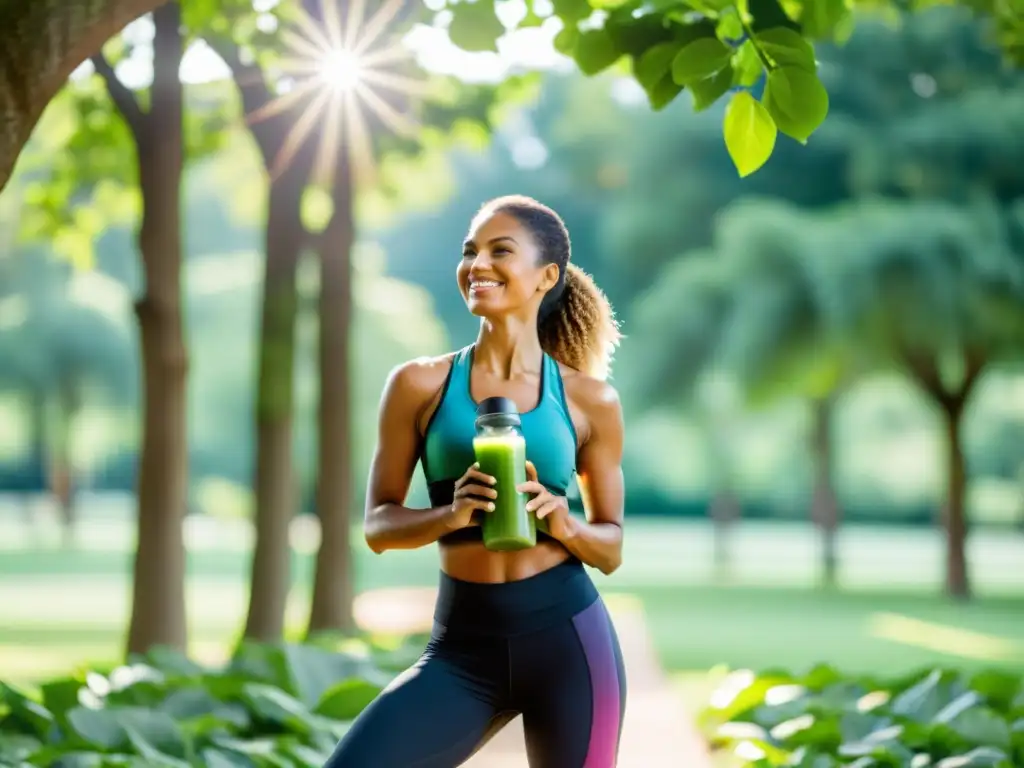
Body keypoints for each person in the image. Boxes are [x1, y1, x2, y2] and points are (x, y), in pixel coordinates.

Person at [325, 195, 627, 768]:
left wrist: (563, 522)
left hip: (570, 646)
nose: (477, 264)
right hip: (462, 652)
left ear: (547, 277)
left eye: (500, 251)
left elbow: (611, 548)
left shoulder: (590, 401)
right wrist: (450, 514)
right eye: (470, 251)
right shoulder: (420, 384)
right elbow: (378, 526)